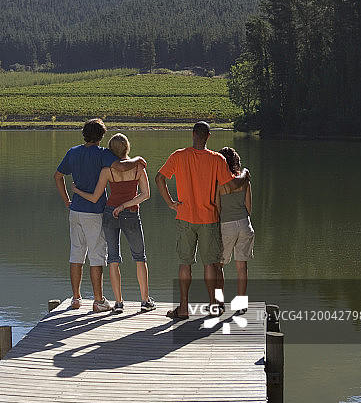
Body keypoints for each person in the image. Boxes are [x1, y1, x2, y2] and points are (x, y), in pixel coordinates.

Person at [155, 121, 249, 319]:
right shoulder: (216, 159)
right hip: (209, 218)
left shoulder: (178, 156)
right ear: (208, 136)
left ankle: (182, 308)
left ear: (192, 134)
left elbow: (159, 178)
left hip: (185, 217)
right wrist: (245, 175)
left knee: (185, 263)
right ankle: (214, 306)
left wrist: (171, 203)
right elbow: (232, 185)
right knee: (210, 263)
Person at [54, 118, 146, 313]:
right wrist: (138, 160)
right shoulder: (103, 154)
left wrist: (67, 201)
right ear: (102, 136)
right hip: (94, 212)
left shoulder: (73, 152)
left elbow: (58, 176)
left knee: (76, 254)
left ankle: (76, 298)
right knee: (97, 256)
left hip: (75, 211)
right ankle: (98, 301)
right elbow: (121, 167)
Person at [72, 132, 156, 314]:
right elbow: (146, 194)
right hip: (131, 214)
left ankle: (118, 303)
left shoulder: (107, 170)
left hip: (110, 214)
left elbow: (95, 198)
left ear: (110, 150)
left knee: (113, 259)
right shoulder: (139, 168)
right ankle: (145, 300)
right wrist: (126, 205)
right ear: (127, 147)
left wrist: (77, 191)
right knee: (140, 257)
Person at [215, 147, 254, 314]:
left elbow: (217, 208)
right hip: (245, 224)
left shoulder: (219, 182)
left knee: (218, 265)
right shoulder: (244, 180)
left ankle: (219, 303)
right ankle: (241, 303)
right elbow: (249, 208)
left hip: (226, 225)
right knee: (242, 267)